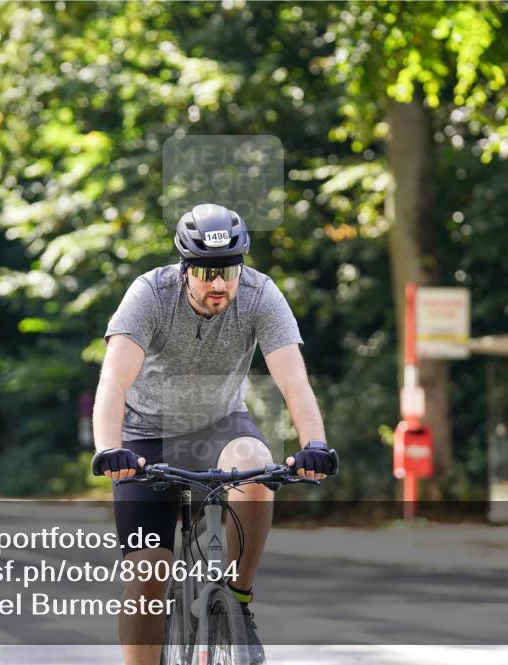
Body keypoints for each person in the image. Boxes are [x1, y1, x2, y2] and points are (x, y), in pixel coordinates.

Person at [91, 203, 339, 665]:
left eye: (228, 270)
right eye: (206, 272)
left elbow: (293, 380)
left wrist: (315, 445)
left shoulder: (261, 294)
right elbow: (114, 381)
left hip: (221, 424)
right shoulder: (149, 293)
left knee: (254, 466)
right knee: (148, 573)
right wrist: (110, 448)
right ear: (185, 270)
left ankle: (239, 598)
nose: (219, 283)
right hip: (146, 435)